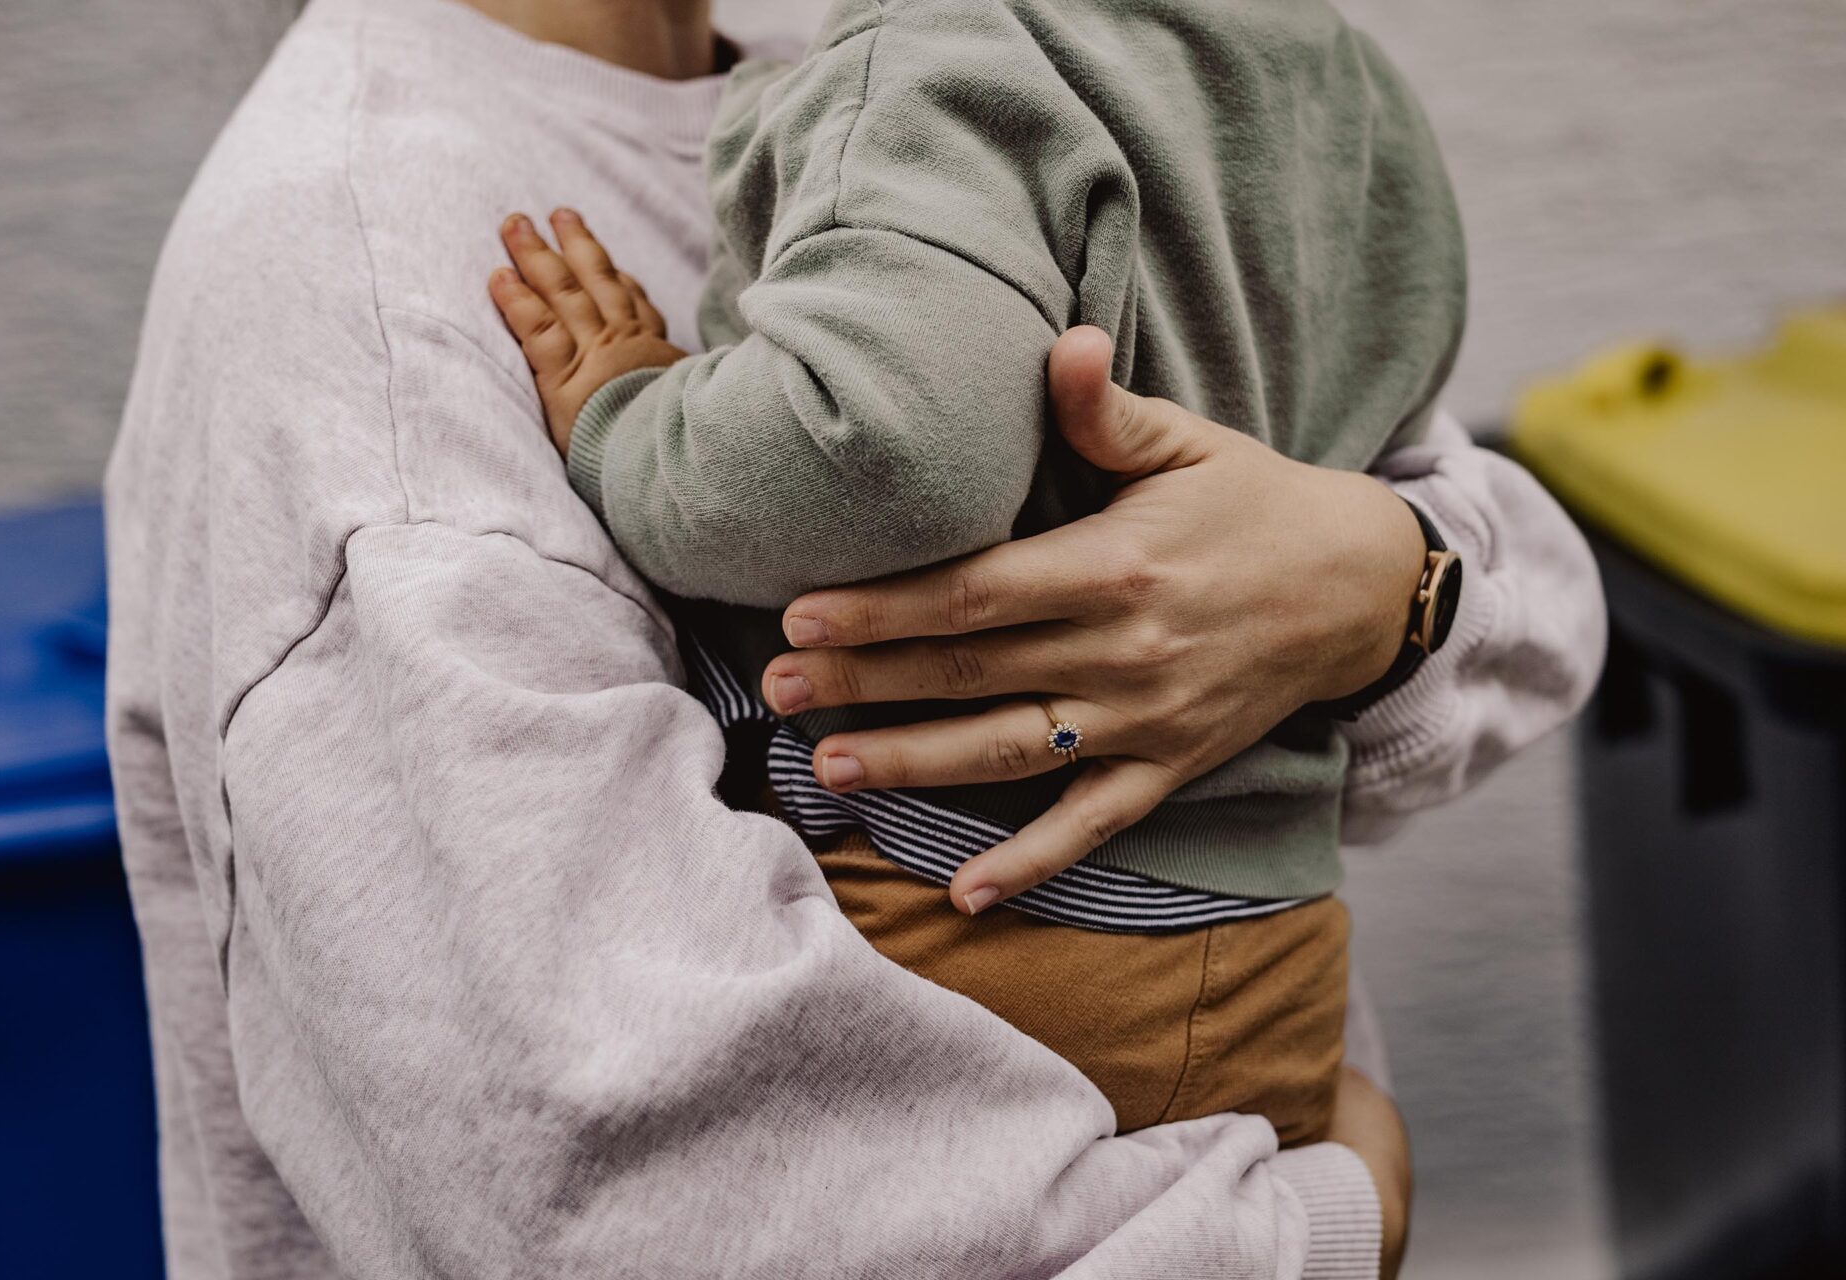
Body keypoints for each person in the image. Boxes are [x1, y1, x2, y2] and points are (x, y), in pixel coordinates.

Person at [103, 0, 1604, 1275]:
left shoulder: (896, 70)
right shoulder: (359, 292)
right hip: (1268, 1067)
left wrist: (1378, 594)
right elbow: (614, 1193)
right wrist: (1321, 1227)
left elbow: (1531, 598)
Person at [484, 0, 1465, 1143]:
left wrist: (631, 411)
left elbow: (882, 452)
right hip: (1281, 952)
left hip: (995, 920)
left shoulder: (952, 46)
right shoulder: (1350, 91)